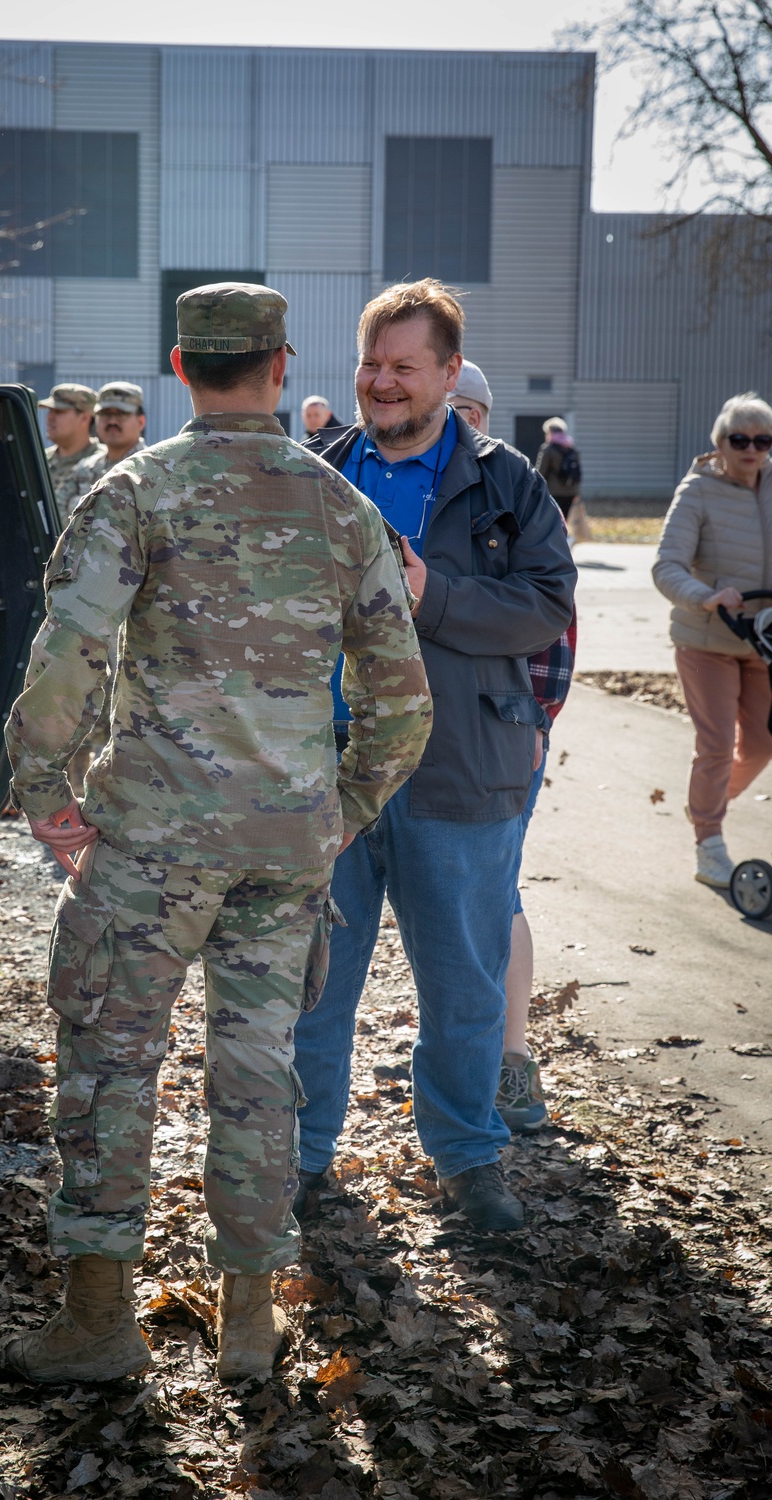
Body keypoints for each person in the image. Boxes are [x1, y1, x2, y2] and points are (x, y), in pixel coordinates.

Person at [0, 282, 431, 1386]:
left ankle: (98, 1323)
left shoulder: (135, 490)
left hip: (149, 839)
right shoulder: (339, 506)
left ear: (181, 370)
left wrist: (45, 787)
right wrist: (340, 809)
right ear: (281, 367)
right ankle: (248, 1323)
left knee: (109, 1063)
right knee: (255, 1069)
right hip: (283, 846)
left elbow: (69, 657)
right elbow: (401, 701)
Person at [291, 279, 577, 1231]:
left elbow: (545, 604)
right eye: (372, 363)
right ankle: (300, 1159)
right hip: (328, 777)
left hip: (460, 772)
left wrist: (433, 593)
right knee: (315, 984)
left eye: (404, 366)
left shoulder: (508, 483)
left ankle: (467, 1158)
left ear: (450, 373)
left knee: (463, 984)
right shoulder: (318, 472)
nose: (381, 382)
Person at [450, 361, 578, 1134]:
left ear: (487, 414)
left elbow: (554, 628)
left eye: (469, 407)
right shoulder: (386, 484)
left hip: (501, 732)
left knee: (498, 896)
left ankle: (510, 1059)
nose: (456, 419)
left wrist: (533, 721)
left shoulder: (516, 493)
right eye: (447, 406)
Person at [653, 392, 772, 888]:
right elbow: (666, 567)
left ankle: (706, 804)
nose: (751, 449)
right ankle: (710, 845)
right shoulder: (697, 490)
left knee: (763, 746)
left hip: (762, 641)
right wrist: (705, 597)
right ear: (719, 442)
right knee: (718, 744)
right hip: (707, 637)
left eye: (763, 440)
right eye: (739, 439)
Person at [71, 382, 149, 502]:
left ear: (141, 422)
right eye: (105, 414)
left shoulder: (152, 467)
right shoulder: (84, 468)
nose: (112, 421)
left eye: (121, 414)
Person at [39, 384, 102, 513]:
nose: (49, 418)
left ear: (84, 418)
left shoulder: (103, 463)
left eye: (59, 412)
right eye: (50, 411)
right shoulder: (39, 460)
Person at [535, 418, 582, 523]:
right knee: (564, 521)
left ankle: (555, 539)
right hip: (571, 491)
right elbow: (577, 473)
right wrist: (577, 492)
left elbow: (541, 471)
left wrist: (535, 488)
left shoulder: (548, 449)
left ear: (550, 432)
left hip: (554, 492)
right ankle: (563, 538)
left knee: (552, 522)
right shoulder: (571, 449)